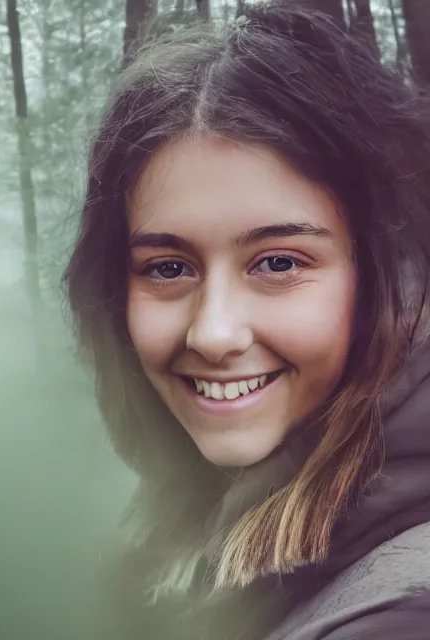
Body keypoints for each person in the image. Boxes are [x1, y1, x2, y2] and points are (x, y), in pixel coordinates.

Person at [64, 1, 430, 638]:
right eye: (168, 269)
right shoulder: (176, 529)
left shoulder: (398, 615)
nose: (213, 333)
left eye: (279, 262)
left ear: (383, 280)